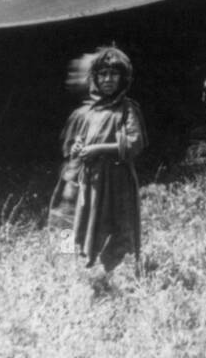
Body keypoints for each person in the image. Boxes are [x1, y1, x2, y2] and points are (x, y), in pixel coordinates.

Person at [48, 47, 148, 275]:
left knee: (112, 223)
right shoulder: (87, 112)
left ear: (123, 79)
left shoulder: (126, 110)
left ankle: (116, 270)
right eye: (102, 74)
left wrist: (98, 149)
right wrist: (78, 148)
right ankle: (73, 268)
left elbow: (134, 143)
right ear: (94, 78)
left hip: (115, 181)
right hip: (86, 180)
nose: (108, 80)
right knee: (74, 219)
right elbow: (75, 143)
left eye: (114, 74)